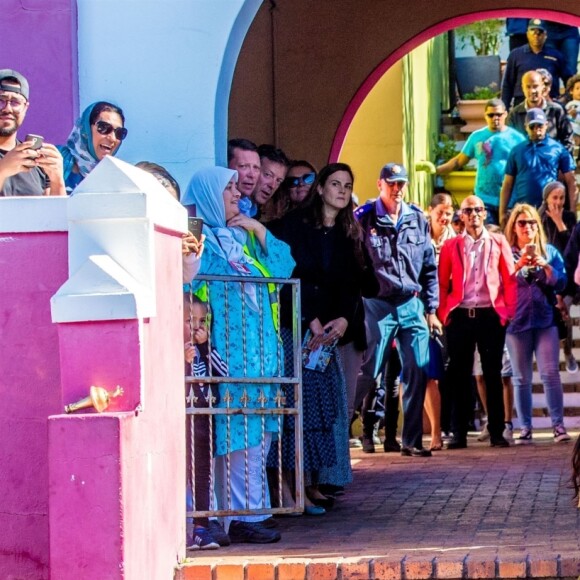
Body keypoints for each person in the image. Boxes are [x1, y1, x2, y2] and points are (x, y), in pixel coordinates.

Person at [182, 166, 295, 544]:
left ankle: (253, 511)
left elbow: (283, 268)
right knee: (230, 442)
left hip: (260, 357)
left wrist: (258, 229)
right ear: (211, 196)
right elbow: (190, 282)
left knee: (257, 440)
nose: (237, 194)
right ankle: (236, 516)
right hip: (227, 358)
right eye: (229, 189)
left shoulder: (240, 239)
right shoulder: (199, 242)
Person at [269, 163, 374, 507]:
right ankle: (292, 484)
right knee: (298, 410)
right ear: (321, 189)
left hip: (331, 334)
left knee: (323, 412)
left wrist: (343, 319)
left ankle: (314, 482)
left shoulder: (351, 232)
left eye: (347, 185)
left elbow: (356, 283)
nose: (341, 191)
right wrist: (308, 318)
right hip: (298, 328)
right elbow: (287, 275)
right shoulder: (296, 227)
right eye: (335, 184)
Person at [356, 162, 442, 458]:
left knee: (418, 369)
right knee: (367, 370)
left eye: (401, 183)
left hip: (410, 304)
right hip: (377, 304)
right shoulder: (364, 219)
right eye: (391, 183)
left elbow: (430, 268)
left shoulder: (418, 219)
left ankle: (412, 440)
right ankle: (342, 427)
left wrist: (431, 309)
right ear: (380, 184)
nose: (397, 189)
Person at [438, 195, 517, 449]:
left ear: (485, 214)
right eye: (468, 210)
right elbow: (442, 282)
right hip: (460, 315)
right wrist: (444, 313)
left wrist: (508, 312)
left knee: (492, 373)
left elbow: (510, 278)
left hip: (490, 314)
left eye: (478, 210)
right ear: (461, 215)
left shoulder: (498, 241)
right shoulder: (452, 245)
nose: (473, 214)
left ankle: (496, 431)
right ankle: (459, 433)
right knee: (459, 375)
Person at [503, 204, 571, 445]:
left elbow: (562, 282)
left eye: (532, 223)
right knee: (521, 377)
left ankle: (558, 426)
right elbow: (501, 282)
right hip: (517, 321)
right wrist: (519, 264)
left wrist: (544, 265)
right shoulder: (507, 253)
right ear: (514, 227)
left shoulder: (550, 251)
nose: (527, 227)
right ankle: (525, 428)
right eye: (522, 223)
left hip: (545, 320)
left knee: (550, 373)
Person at [428, 98, 525, 224]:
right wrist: (436, 170)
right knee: (485, 238)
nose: (495, 118)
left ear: (505, 114)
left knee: (508, 241)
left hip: (510, 200)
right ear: (485, 116)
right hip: (484, 199)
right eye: (491, 115)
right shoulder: (477, 136)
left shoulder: (517, 138)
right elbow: (458, 161)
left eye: (498, 114)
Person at [184, 294, 228, 551]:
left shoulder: (204, 350)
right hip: (184, 423)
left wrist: (205, 347)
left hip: (203, 420)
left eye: (203, 321)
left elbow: (223, 374)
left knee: (203, 474)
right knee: (185, 476)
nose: (198, 327)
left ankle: (202, 527)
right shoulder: (173, 351)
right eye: (191, 321)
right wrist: (185, 361)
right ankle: (184, 527)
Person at [500, 108, 576, 224]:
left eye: (540, 126)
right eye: (532, 126)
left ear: (546, 125)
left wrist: (572, 211)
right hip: (523, 210)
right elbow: (507, 184)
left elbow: (571, 181)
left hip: (550, 211)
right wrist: (502, 213)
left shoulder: (558, 149)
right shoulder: (517, 150)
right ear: (526, 127)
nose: (537, 130)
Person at [0, 69, 65, 196]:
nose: (7, 108)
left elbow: (55, 213)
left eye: (15, 102)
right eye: (1, 100)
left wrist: (57, 180)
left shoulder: (34, 160)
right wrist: (3, 170)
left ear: (25, 108)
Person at [539, 181, 578, 375]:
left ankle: (569, 352)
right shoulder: (537, 218)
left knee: (566, 315)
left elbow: (572, 247)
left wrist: (559, 223)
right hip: (547, 275)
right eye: (554, 197)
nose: (558, 202)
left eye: (562, 198)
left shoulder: (570, 217)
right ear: (546, 199)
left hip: (568, 277)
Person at [501, 19, 572, 109]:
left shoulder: (556, 55)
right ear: (527, 33)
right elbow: (508, 84)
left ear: (545, 35)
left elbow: (569, 80)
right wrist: (504, 108)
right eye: (533, 31)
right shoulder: (516, 55)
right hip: (522, 105)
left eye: (540, 32)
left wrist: (564, 99)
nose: (536, 35)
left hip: (549, 105)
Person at [59, 101, 127, 194]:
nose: (113, 138)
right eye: (104, 128)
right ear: (85, 130)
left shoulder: (118, 179)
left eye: (119, 133)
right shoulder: (55, 162)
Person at [506, 70, 574, 155]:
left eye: (535, 86)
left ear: (542, 87)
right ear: (522, 88)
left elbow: (567, 139)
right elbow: (509, 142)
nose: (532, 91)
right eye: (528, 87)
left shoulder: (556, 110)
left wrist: (562, 163)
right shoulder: (515, 114)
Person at [251, 144, 289, 217]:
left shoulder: (254, 212)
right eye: (268, 175)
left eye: (279, 181)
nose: (272, 186)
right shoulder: (232, 206)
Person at [227, 138, 261, 217]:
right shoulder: (221, 211)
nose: (252, 175)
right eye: (243, 166)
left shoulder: (250, 208)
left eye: (256, 168)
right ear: (227, 167)